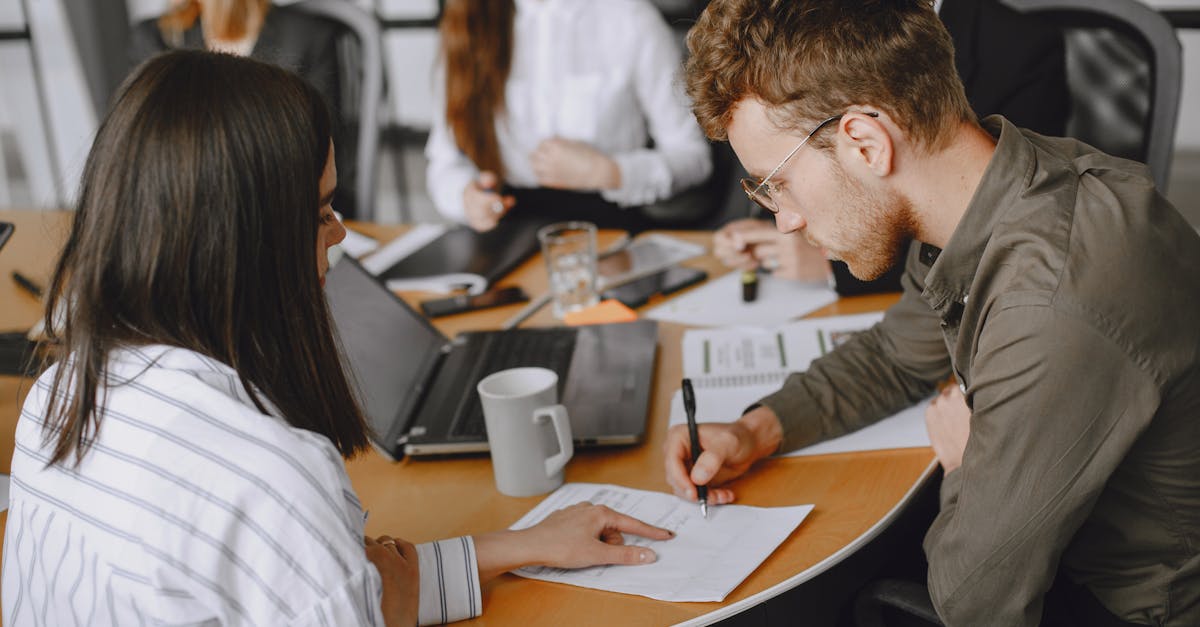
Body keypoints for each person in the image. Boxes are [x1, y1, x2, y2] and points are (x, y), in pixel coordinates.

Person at [2, 50, 672, 626]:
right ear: (246, 242)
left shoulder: (58, 400)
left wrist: (522, 543)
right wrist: (398, 607)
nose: (342, 233)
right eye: (322, 211)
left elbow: (312, 584)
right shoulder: (269, 476)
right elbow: (331, 580)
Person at [664, 1, 1200, 625]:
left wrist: (966, 463)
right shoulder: (990, 185)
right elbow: (897, 355)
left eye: (775, 183)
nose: (783, 219)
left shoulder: (1051, 304)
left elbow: (973, 602)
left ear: (865, 143)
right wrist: (757, 431)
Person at [713, 0, 1071, 295]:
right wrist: (764, 231)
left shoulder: (1020, 48)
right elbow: (797, 139)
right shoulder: (815, 26)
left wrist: (826, 266)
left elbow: (987, 208)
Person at [425, 0, 714, 233]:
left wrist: (611, 172)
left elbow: (693, 157)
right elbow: (443, 161)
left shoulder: (631, 18)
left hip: (608, 225)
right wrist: (465, 198)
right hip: (506, 228)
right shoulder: (467, 21)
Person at [129, 0, 361, 218]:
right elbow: (149, 153)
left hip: (286, 210)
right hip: (185, 213)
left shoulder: (309, 35)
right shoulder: (158, 39)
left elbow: (322, 148)